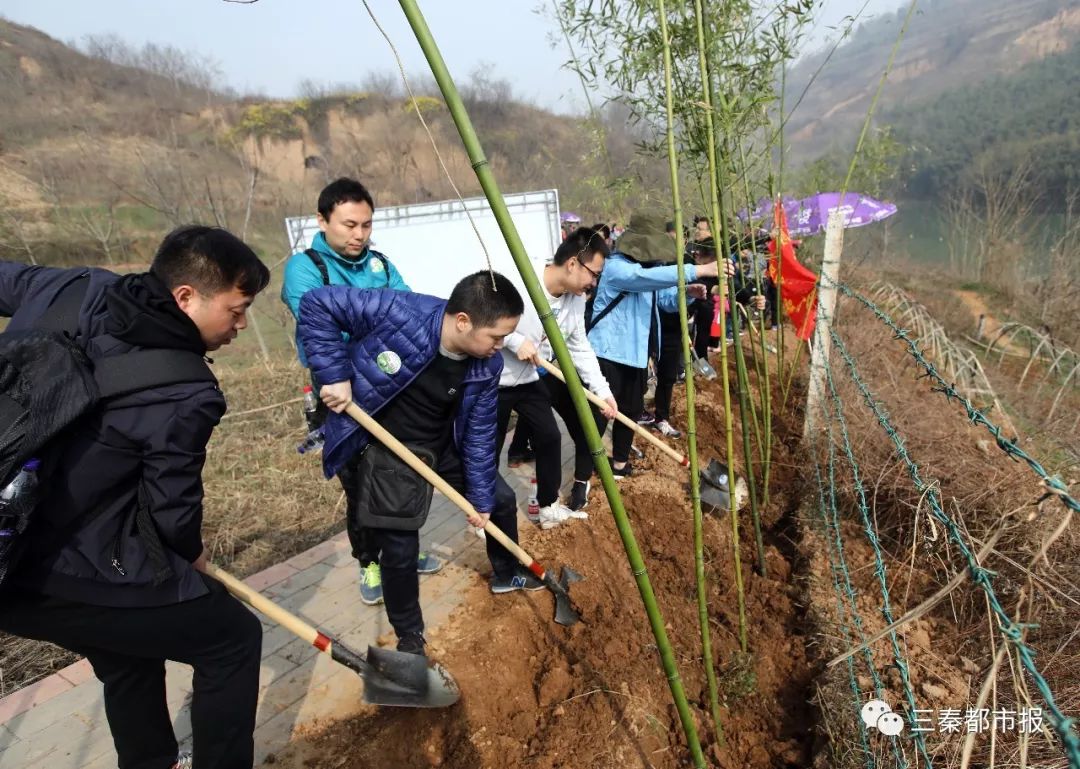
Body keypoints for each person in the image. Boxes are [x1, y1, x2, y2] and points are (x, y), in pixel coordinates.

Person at [0, 226, 271, 769]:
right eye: (236, 310)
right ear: (186, 297)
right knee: (232, 639)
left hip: (9, 553)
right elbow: (171, 510)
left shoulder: (75, 285)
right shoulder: (184, 388)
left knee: (129, 654)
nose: (242, 324)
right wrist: (192, 557)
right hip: (50, 569)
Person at [298, 271, 542, 658]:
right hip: (388, 452)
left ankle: (506, 572)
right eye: (496, 336)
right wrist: (334, 375)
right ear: (463, 321)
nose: (502, 345)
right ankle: (409, 638)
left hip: (441, 445)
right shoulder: (398, 311)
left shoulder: (486, 365)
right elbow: (317, 304)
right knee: (398, 547)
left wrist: (478, 500)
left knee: (498, 499)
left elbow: (479, 434)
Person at [280, 177, 439, 608]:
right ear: (322, 220)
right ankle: (369, 560)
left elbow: (409, 309)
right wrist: (382, 324)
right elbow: (320, 322)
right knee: (360, 483)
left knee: (401, 472)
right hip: (342, 397)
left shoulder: (380, 265)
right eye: (349, 225)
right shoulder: (306, 267)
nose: (359, 235)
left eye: (366, 225)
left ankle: (405, 549)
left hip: (391, 390)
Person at [587, 213, 732, 478]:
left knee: (630, 411)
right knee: (599, 414)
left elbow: (664, 300)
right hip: (608, 353)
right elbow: (638, 279)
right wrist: (699, 270)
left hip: (637, 354)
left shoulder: (647, 271)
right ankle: (583, 472)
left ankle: (619, 464)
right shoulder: (617, 267)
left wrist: (687, 294)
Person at [500, 227, 618, 515]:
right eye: (593, 273)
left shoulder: (574, 300)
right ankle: (481, 515)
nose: (594, 282)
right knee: (487, 450)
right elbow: (481, 319)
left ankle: (548, 505)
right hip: (496, 378)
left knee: (550, 437)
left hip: (531, 378)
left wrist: (602, 391)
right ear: (573, 263)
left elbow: (579, 346)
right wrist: (514, 341)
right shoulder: (519, 278)